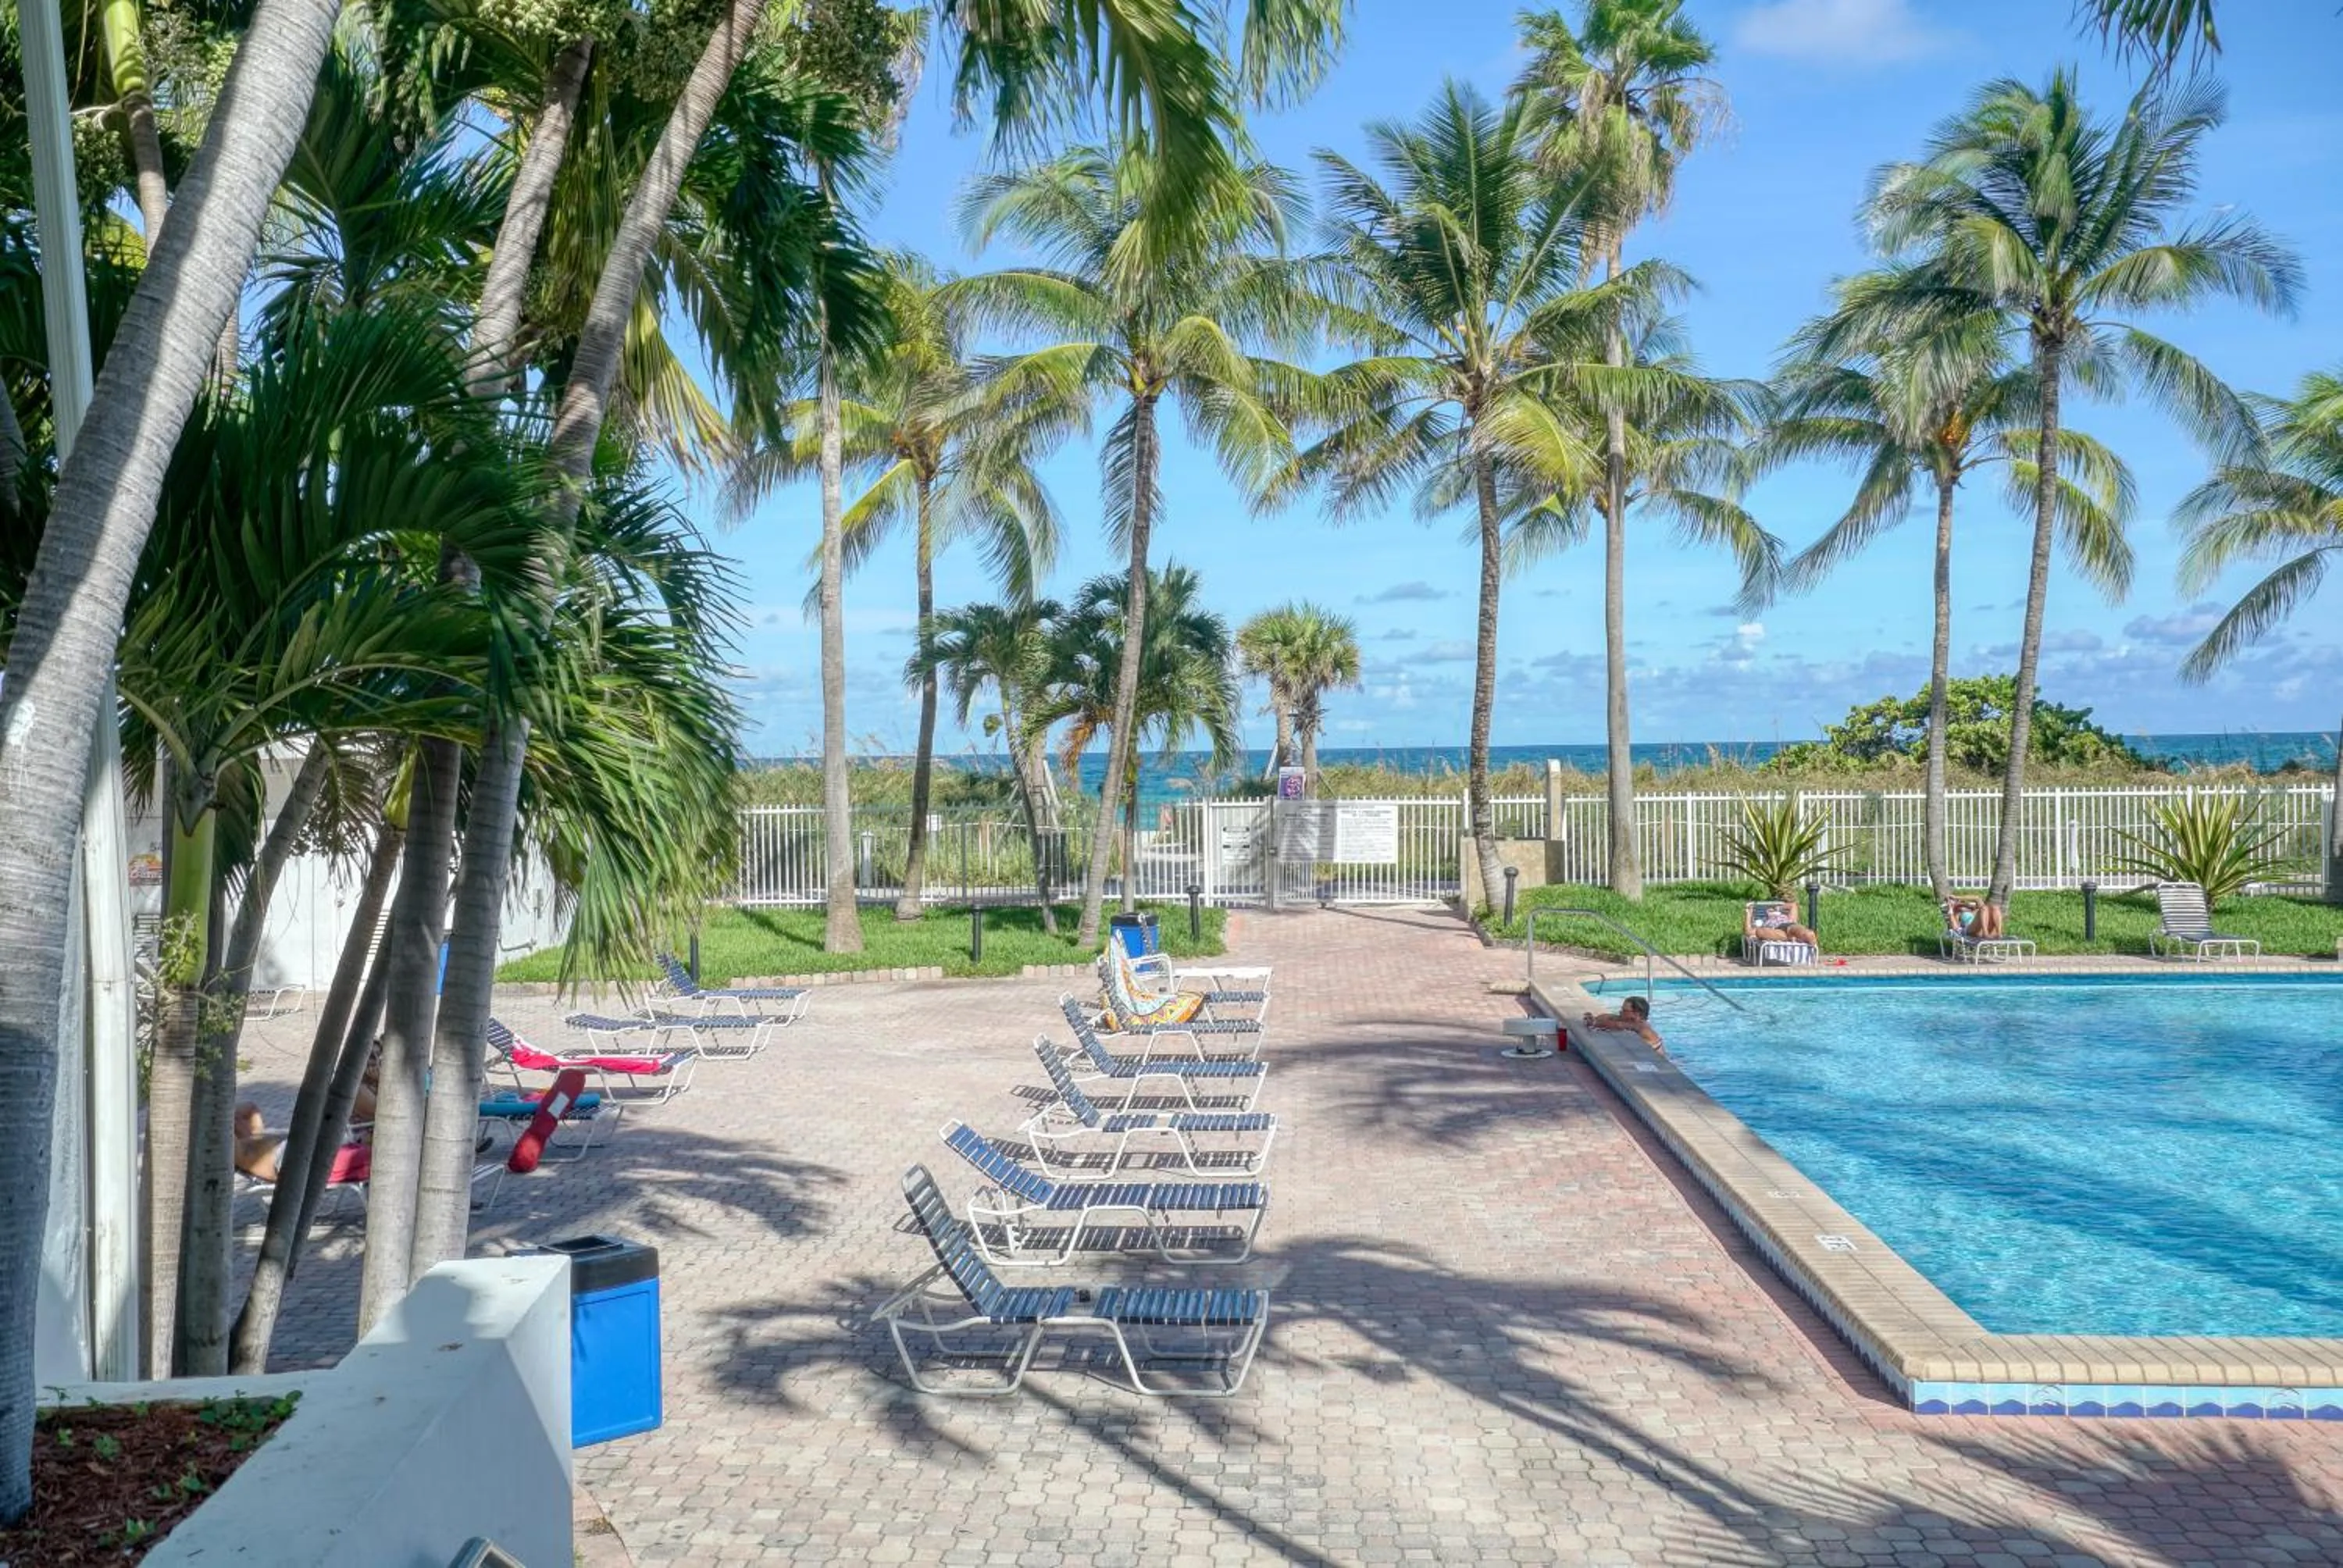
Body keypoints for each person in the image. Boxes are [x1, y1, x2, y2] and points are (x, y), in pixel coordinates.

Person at [1582, 995, 1664, 1056]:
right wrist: (1594, 1019)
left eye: (1624, 1011)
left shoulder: (1643, 1028)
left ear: (1636, 1014)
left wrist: (1595, 1023)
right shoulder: (1631, 1022)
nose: (1620, 1012)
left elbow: (1618, 1025)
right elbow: (1608, 1017)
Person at [1746, 898, 1820, 952]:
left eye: (1771, 910)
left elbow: (1793, 905)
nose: (1770, 911)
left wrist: (1777, 908)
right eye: (1769, 910)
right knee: (1759, 932)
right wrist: (1748, 914)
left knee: (1809, 934)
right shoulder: (1764, 921)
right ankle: (1791, 939)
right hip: (1777, 931)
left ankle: (1813, 950)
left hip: (1790, 926)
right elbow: (1748, 932)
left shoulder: (1787, 917)